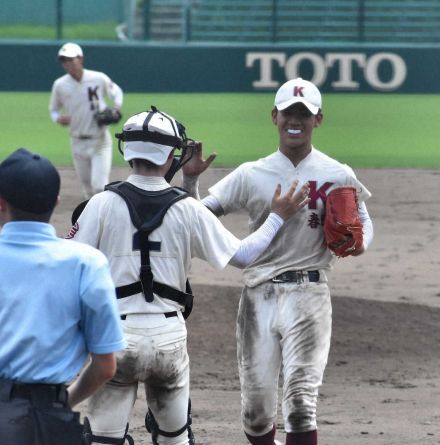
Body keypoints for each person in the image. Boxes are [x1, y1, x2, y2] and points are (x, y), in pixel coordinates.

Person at [66, 106, 310, 445]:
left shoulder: (101, 203)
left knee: (104, 440)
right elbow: (244, 255)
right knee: (175, 438)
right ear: (170, 155)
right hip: (168, 339)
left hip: (116, 338)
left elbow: (70, 263)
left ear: (129, 150)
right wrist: (277, 216)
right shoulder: (187, 208)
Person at [183, 78, 374, 445]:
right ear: (275, 116)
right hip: (259, 295)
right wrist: (191, 184)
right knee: (256, 415)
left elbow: (364, 221)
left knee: (301, 405)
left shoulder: (338, 173)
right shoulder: (251, 174)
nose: (296, 120)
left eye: (305, 114)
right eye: (289, 113)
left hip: (311, 295)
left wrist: (360, 244)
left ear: (318, 120)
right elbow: (194, 218)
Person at [0, 148, 126, 444]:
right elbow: (105, 366)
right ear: (56, 202)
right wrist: (61, 403)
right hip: (50, 420)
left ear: (1, 203)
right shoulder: (87, 263)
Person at [49, 42, 124, 199]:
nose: (67, 64)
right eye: (64, 61)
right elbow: (53, 110)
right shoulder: (60, 85)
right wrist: (58, 119)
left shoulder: (98, 78)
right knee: (88, 188)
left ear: (80, 59)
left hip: (100, 141)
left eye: (70, 59)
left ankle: (104, 217)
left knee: (99, 186)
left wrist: (116, 108)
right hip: (77, 142)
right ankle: (94, 218)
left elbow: (117, 92)